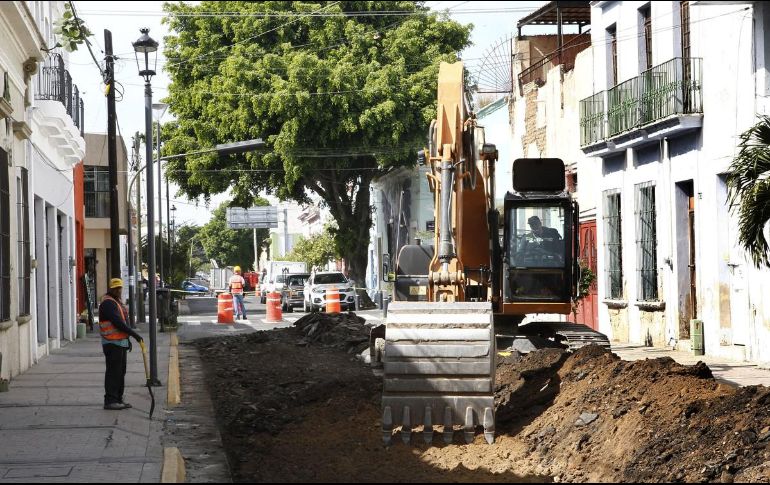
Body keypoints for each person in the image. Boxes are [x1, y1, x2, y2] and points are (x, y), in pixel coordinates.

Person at [98, 278, 143, 410]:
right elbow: (118, 322)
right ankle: (110, 400)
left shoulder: (117, 302)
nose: (118, 290)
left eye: (119, 288)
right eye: (115, 288)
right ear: (110, 289)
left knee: (120, 372)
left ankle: (118, 399)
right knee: (114, 372)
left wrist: (127, 340)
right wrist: (134, 335)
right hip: (112, 343)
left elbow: (123, 322)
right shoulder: (108, 303)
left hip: (120, 342)